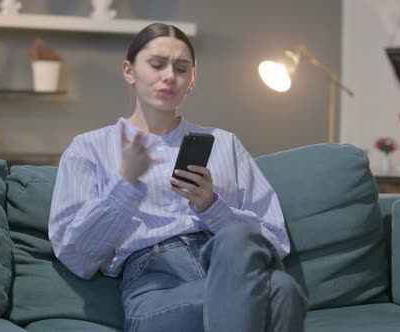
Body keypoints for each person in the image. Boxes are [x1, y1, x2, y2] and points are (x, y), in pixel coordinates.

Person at [48, 23, 307, 332]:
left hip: (225, 264)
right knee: (281, 292)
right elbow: (77, 256)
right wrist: (124, 185)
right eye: (157, 64)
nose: (169, 76)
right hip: (156, 287)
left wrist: (212, 207)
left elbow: (275, 240)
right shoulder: (89, 149)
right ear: (129, 71)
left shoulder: (225, 144)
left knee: (243, 246)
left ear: (192, 80)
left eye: (181, 68)